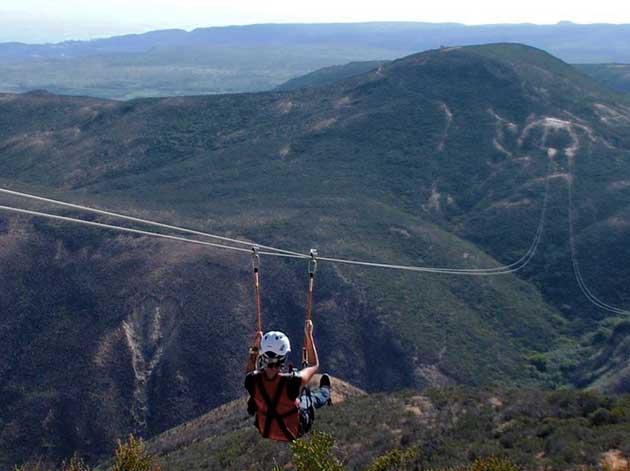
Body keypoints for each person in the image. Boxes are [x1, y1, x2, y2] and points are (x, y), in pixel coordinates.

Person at [244, 320, 332, 441]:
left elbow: (249, 371)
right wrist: (309, 335)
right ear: (284, 356)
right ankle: (326, 391)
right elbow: (314, 365)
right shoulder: (293, 381)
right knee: (310, 398)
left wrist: (255, 348)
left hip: (265, 428)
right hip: (294, 430)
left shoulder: (252, 380)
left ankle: (325, 392)